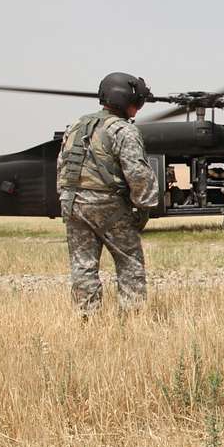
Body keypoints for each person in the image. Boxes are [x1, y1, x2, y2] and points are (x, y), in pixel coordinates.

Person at [56, 72, 159, 317]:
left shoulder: (75, 126)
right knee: (129, 262)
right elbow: (138, 175)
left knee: (83, 267)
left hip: (73, 205)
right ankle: (132, 318)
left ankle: (86, 318)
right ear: (127, 101)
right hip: (108, 207)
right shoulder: (124, 132)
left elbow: (62, 167)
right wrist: (145, 206)